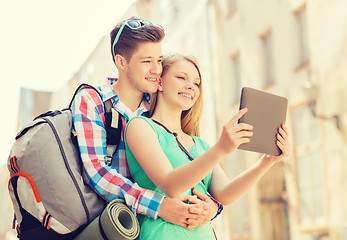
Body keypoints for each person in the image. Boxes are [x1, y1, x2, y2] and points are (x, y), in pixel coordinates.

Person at [71, 17, 222, 231]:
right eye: (146, 62)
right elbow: (96, 171)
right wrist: (159, 206)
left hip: (160, 228)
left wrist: (213, 207)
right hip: (113, 226)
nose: (156, 70)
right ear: (121, 62)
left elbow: (190, 159)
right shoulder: (92, 101)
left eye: (159, 60)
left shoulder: (158, 103)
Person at [125, 54, 291, 239]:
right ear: (160, 83)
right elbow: (170, 185)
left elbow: (225, 194)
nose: (191, 86)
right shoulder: (140, 126)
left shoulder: (201, 144)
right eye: (181, 77)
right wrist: (220, 149)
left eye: (196, 83)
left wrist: (266, 162)